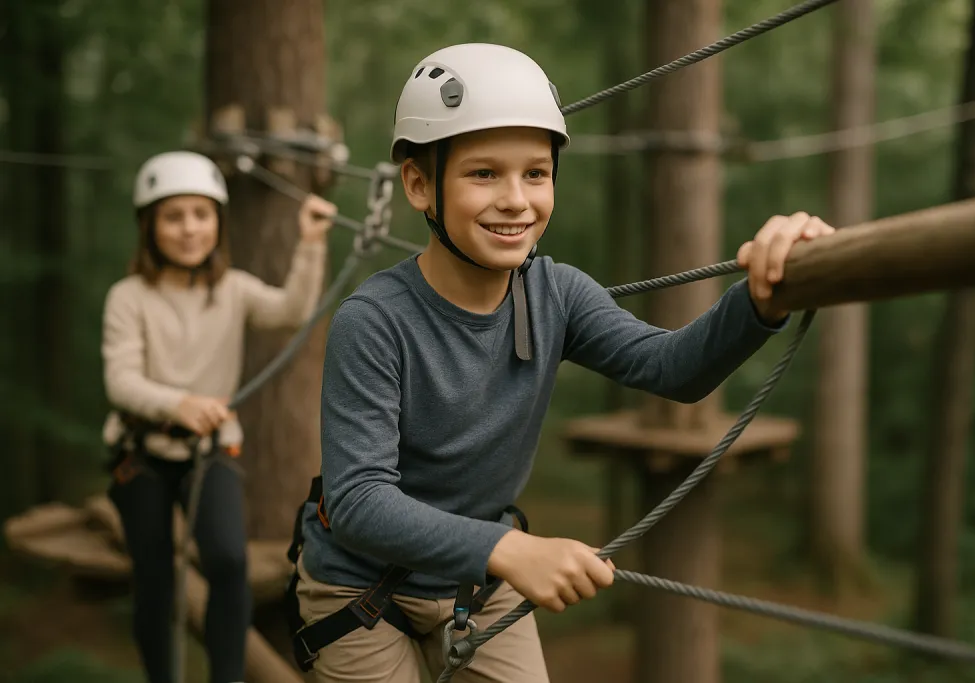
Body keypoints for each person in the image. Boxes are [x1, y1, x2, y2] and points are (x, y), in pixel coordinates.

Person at [289, 44, 835, 683]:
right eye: (483, 174)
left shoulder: (556, 295)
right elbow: (359, 500)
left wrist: (760, 300)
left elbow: (672, 369)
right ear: (418, 185)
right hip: (362, 591)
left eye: (536, 174)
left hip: (478, 584)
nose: (516, 200)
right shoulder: (375, 320)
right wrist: (510, 549)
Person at [101, 150, 336, 683]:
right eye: (173, 216)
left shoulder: (233, 290)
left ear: (218, 224)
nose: (189, 229)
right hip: (142, 450)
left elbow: (291, 311)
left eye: (201, 215)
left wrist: (311, 243)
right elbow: (122, 381)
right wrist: (179, 404)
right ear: (150, 226)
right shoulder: (128, 298)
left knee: (229, 561)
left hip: (210, 448)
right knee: (155, 574)